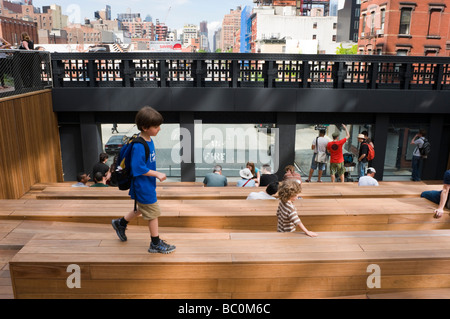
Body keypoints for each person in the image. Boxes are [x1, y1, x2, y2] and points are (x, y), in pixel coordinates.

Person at [111, 106, 175, 254]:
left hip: (146, 185)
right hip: (142, 185)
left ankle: (120, 223)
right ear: (145, 127)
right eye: (156, 126)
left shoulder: (148, 140)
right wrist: (157, 174)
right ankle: (155, 243)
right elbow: (137, 168)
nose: (159, 129)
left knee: (144, 208)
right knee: (153, 213)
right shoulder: (140, 145)